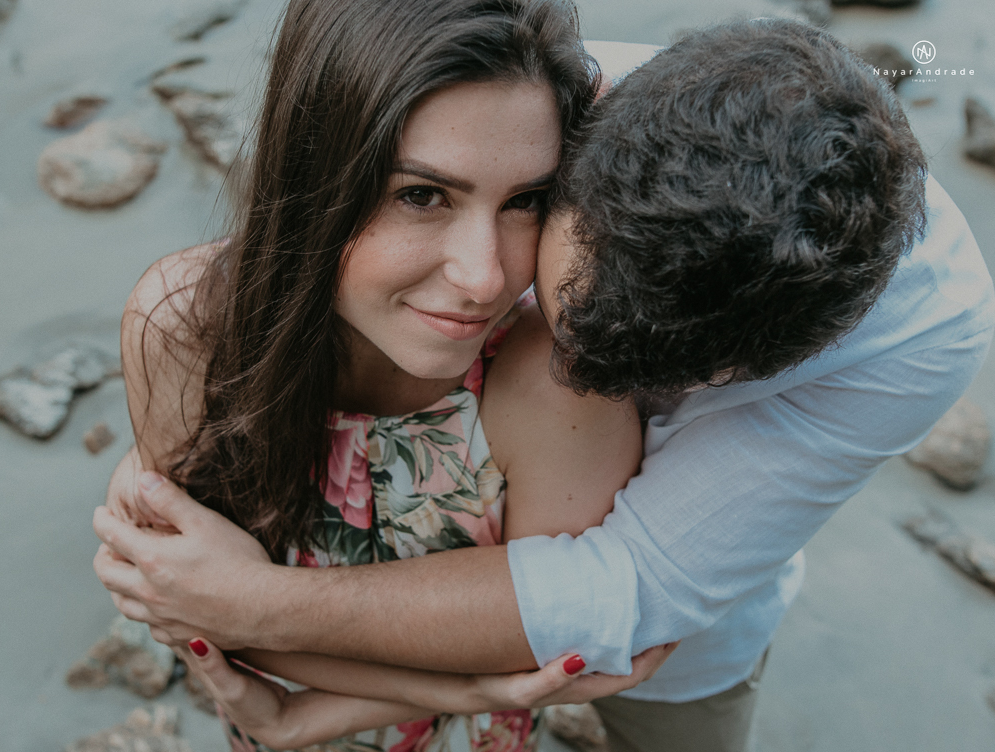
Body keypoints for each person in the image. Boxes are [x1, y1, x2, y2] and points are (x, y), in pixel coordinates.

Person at [94, 18, 995, 752]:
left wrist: (256, 609)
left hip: (665, 629)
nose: (490, 286)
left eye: (520, 204)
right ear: (588, 146)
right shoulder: (530, 106)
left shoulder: (918, 336)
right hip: (445, 628)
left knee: (678, 720)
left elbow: (629, 599)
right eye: (570, 319)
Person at [98, 0, 672, 748]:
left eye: (526, 201)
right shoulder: (183, 327)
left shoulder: (557, 380)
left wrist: (294, 670)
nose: (484, 276)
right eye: (421, 195)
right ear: (313, 175)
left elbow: (538, 642)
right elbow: (189, 605)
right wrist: (461, 684)